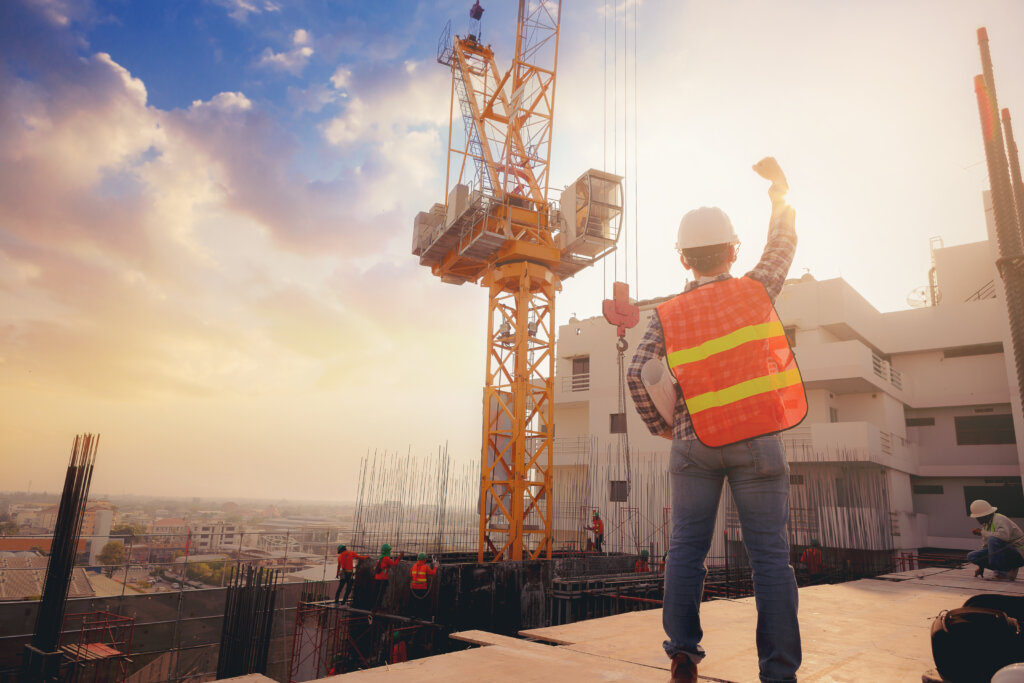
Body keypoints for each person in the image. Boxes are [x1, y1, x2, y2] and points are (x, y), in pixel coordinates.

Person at [627, 157, 803, 683]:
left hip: (693, 445)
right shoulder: (753, 292)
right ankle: (778, 673)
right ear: (731, 251)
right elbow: (781, 248)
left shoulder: (668, 314)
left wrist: (668, 429)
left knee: (686, 550)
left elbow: (638, 372)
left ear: (684, 259)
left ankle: (683, 651)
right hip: (756, 441)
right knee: (770, 558)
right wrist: (779, 193)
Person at [967, 499, 1024, 580]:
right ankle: (1007, 570)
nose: (977, 520)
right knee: (972, 556)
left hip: (1019, 554)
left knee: (993, 540)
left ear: (985, 515)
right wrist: (981, 567)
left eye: (978, 517)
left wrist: (982, 532)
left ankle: (1002, 573)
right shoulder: (986, 525)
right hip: (1007, 553)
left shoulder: (999, 519)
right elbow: (986, 547)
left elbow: (1004, 537)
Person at [373, 543, 403, 610]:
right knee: (381, 594)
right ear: (387, 551)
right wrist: (399, 557)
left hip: (377, 578)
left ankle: (375, 607)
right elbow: (394, 564)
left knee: (377, 593)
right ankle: (377, 608)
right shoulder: (386, 558)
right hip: (383, 579)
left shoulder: (380, 557)